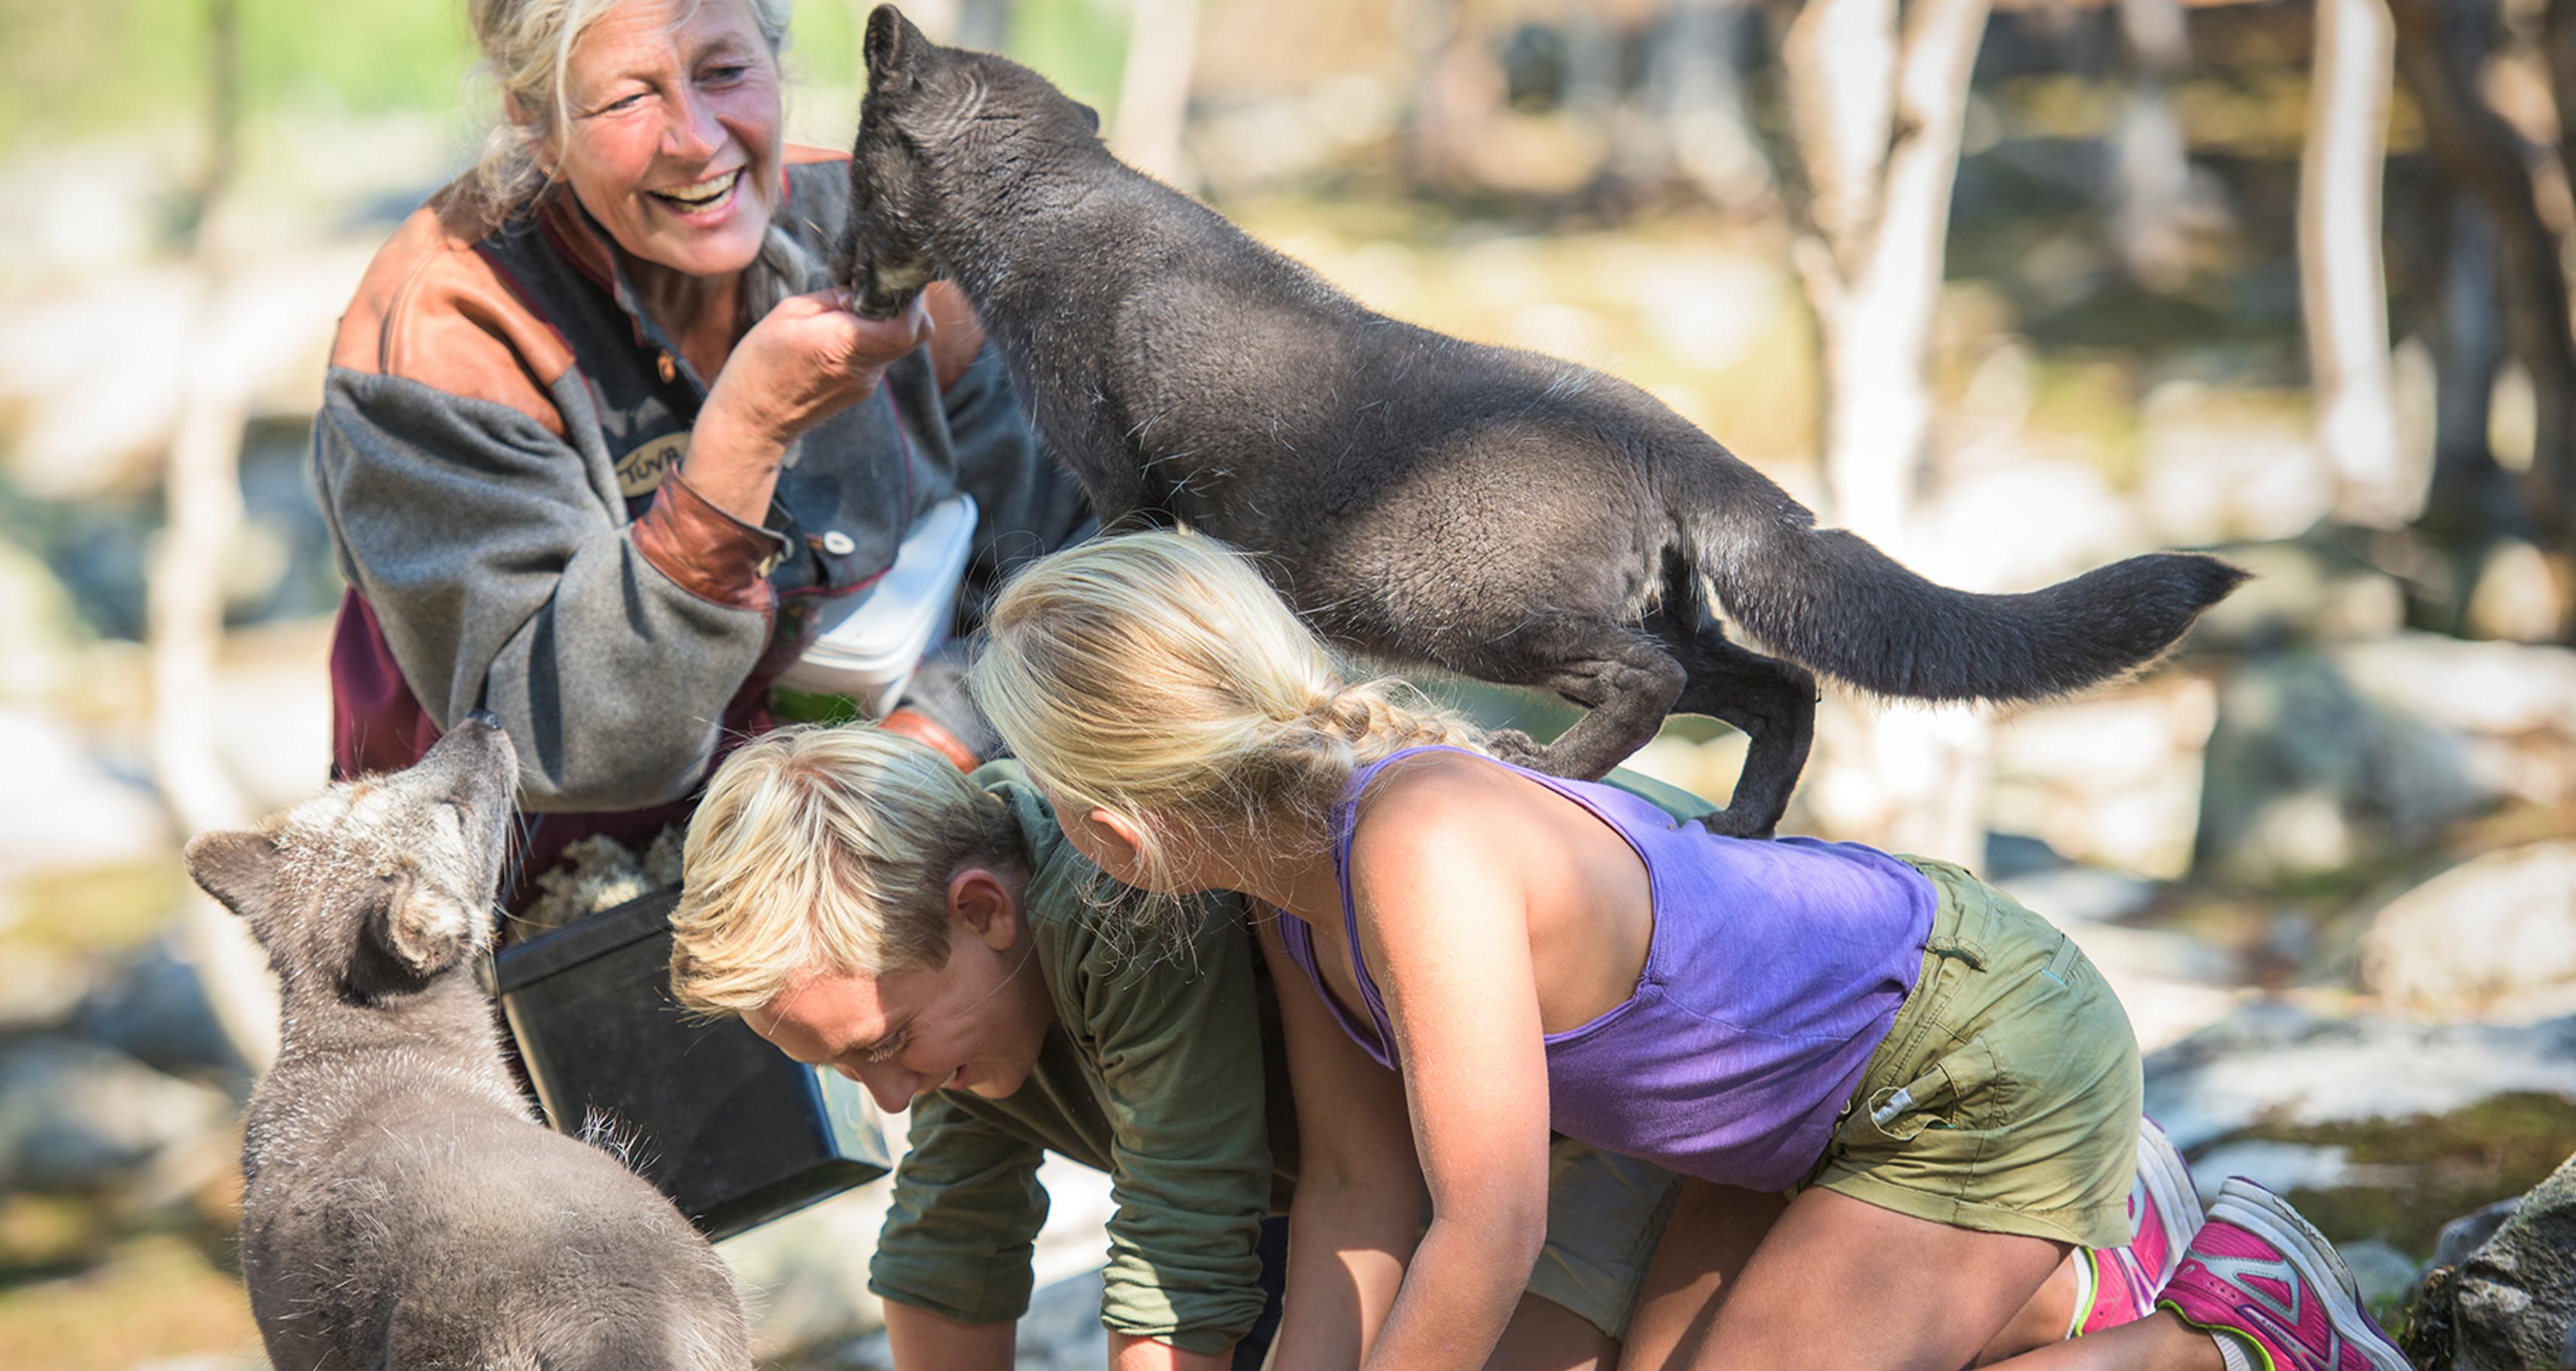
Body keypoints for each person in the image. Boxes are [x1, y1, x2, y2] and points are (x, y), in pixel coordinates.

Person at [962, 529, 2413, 1371]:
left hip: (1970, 1056)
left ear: (1110, 825)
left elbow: (1490, 1225)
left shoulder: (1420, 841)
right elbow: (1360, 1198)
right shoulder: (1290, 899)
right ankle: (2044, 1279)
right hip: (1779, 1138)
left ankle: (2228, 1330)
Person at [313, 0, 1085, 908]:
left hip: (870, 825)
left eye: (725, 72)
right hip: (538, 895)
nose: (696, 136)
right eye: (627, 99)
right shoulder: (447, 329)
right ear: (537, 126)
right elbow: (557, 743)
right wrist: (747, 437)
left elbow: (1063, 570)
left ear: (776, 61)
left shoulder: (888, 232)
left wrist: (912, 758)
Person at [665, 723, 1697, 1371]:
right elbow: (952, 1237)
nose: (887, 1098)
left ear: (980, 910)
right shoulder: (955, 993)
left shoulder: (1116, 896)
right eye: (845, 1067)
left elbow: (1181, 1228)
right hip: (1393, 1186)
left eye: (885, 1046)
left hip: (1622, 1076)